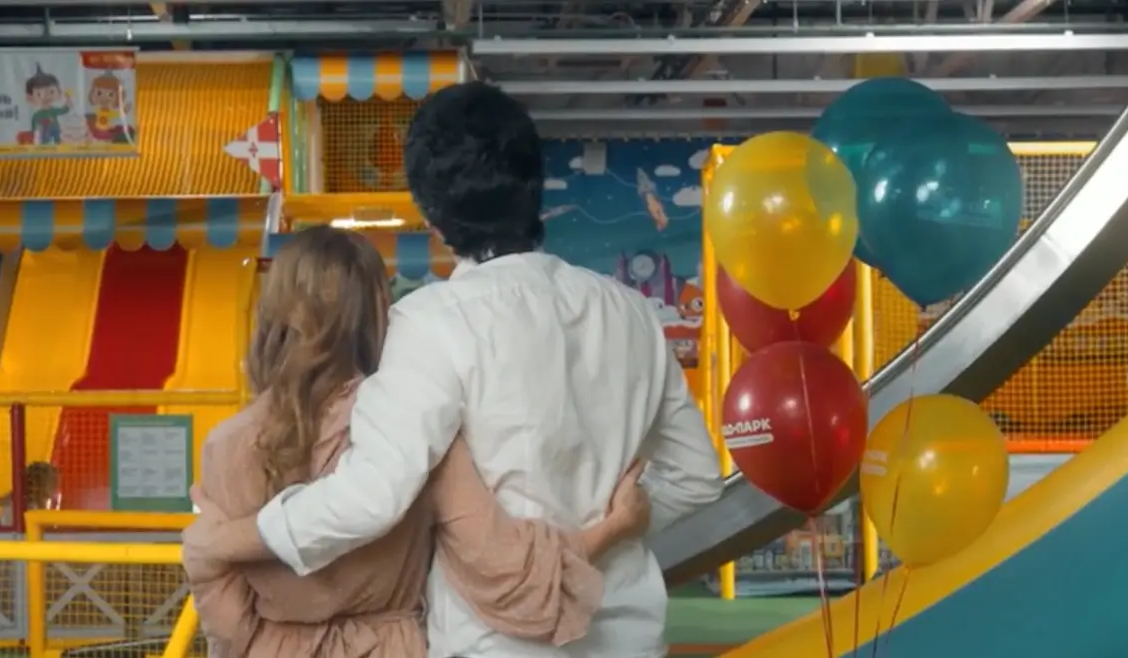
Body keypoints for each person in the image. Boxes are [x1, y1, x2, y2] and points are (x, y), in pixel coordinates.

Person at [186, 82, 724, 658]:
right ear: (535, 188)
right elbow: (698, 476)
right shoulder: (631, 311)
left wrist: (231, 540)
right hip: (628, 634)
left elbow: (373, 497)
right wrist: (619, 526)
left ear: (432, 218)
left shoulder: (429, 323)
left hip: (494, 643)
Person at [182, 227, 652, 657]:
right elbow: (500, 566)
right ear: (377, 312)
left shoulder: (226, 444)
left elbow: (217, 591)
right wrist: (614, 528)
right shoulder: (411, 421)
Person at [0, 461, 60, 528]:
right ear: (40, 485)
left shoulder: (38, 506)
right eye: (54, 483)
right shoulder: (19, 501)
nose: (57, 487)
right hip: (5, 541)